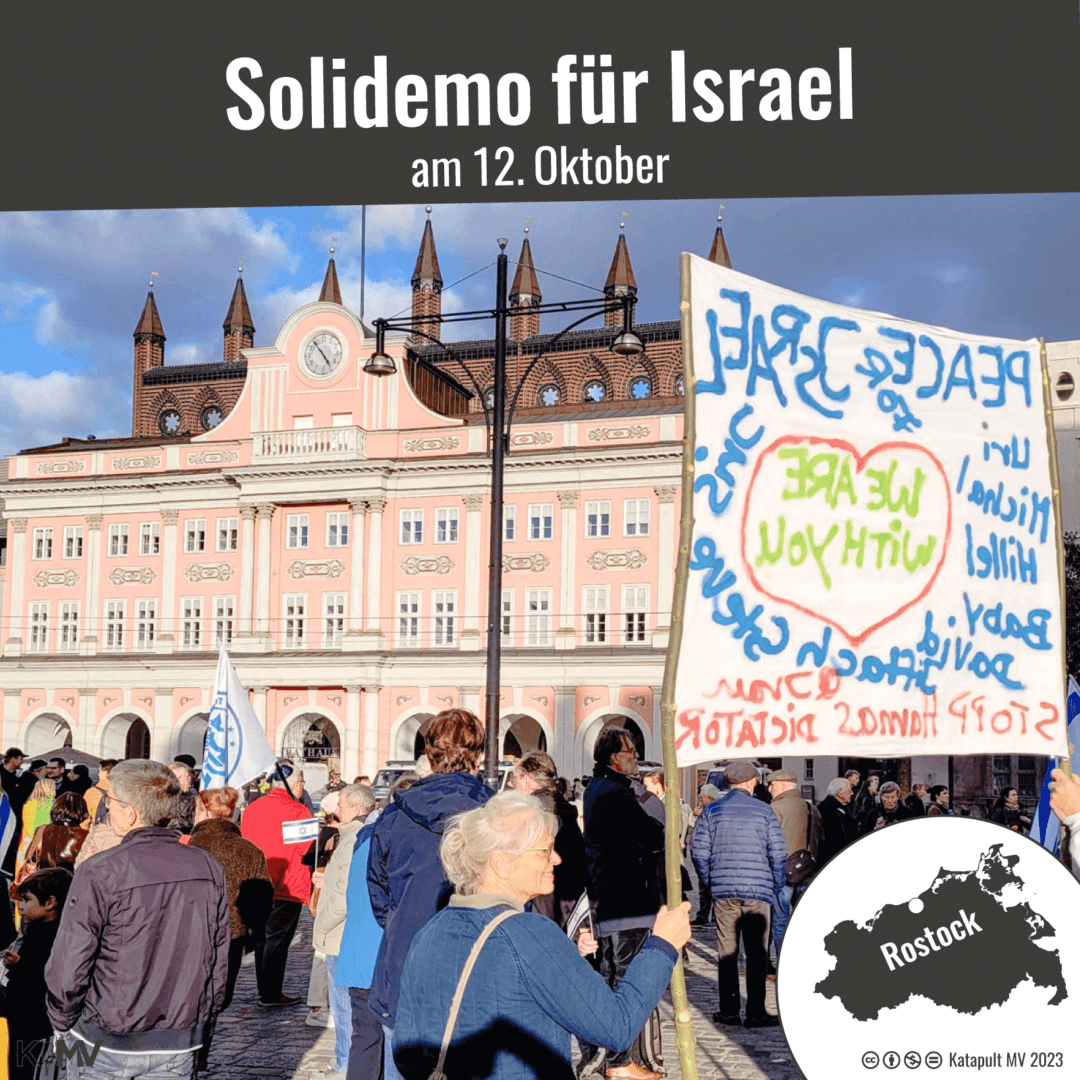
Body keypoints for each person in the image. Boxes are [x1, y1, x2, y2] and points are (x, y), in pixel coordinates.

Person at [392, 790, 691, 1080]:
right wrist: (661, 946)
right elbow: (616, 1026)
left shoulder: (430, 931)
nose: (556, 859)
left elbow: (406, 1051)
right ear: (501, 864)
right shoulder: (530, 934)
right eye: (545, 850)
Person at [45, 759, 230, 1079]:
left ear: (130, 812)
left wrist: (61, 1024)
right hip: (175, 1039)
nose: (105, 807)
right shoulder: (207, 866)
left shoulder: (99, 870)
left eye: (110, 800)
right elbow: (218, 962)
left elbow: (69, 963)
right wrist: (201, 1021)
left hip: (102, 1038)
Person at [368, 708, 493, 1080]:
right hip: (477, 969)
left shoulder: (393, 816)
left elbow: (380, 895)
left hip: (406, 961)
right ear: (480, 756)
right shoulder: (497, 816)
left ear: (429, 756)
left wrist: (404, 921)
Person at [582, 727, 665, 1080]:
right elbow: (651, 833)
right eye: (630, 751)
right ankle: (619, 1061)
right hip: (624, 900)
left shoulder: (603, 788)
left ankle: (612, 1056)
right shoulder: (614, 793)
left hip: (617, 898)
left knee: (614, 976)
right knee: (624, 980)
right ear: (615, 758)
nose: (635, 757)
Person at [691, 761, 786, 1029]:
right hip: (758, 891)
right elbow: (778, 854)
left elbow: (699, 852)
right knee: (757, 955)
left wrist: (710, 881)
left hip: (725, 893)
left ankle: (730, 1010)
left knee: (727, 953)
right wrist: (776, 884)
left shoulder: (712, 811)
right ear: (749, 782)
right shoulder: (764, 811)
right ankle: (756, 1012)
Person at [186, 786, 274, 1070]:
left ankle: (186, 1054)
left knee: (185, 996)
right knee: (214, 999)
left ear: (203, 812)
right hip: (231, 936)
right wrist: (252, 935)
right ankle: (199, 1057)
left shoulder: (187, 847)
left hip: (186, 934)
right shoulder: (248, 849)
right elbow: (261, 901)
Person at [339, 776, 416, 1080]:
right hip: (382, 959)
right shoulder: (397, 844)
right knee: (389, 1047)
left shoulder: (365, 840)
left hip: (359, 957)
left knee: (365, 1043)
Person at [312, 785, 377, 1078]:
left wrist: (322, 922)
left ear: (356, 808)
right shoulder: (349, 836)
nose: (336, 810)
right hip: (340, 933)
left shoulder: (354, 840)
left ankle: (344, 1065)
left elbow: (343, 895)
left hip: (340, 934)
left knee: (344, 1008)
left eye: (341, 804)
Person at [240, 763, 313, 1006]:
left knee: (262, 938)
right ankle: (271, 993)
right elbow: (305, 850)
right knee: (278, 941)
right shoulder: (299, 811)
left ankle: (265, 990)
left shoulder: (251, 809)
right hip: (287, 885)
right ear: (296, 785)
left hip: (258, 882)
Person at [3, 868, 73, 1080]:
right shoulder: (42, 929)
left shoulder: (50, 937)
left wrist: (19, 965)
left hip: (35, 1022)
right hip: (29, 1019)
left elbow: (43, 977)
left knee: (29, 1067)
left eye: (26, 900)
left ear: (50, 903)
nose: (20, 907)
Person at [512, 752, 587, 928]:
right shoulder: (564, 808)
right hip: (568, 901)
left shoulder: (530, 812)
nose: (512, 784)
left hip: (541, 902)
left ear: (527, 780)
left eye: (515, 778)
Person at [766, 769, 809, 952]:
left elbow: (769, 842)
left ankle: (783, 962)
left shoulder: (776, 808)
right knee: (801, 920)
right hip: (804, 869)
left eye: (772, 785)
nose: (769, 789)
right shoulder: (807, 806)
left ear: (783, 785)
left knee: (780, 921)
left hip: (781, 871)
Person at [21, 792, 88, 874]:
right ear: (82, 811)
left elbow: (30, 856)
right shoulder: (85, 835)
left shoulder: (43, 829)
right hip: (70, 883)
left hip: (43, 880)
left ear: (56, 807)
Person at [15, 779, 55, 880]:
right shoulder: (54, 804)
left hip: (28, 842)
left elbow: (27, 828)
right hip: (47, 843)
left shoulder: (28, 805)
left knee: (26, 873)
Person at [817, 778, 858, 867]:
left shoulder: (840, 807)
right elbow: (835, 840)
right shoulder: (828, 810)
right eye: (849, 790)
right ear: (840, 792)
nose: (852, 793)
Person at [84, 760, 117, 825]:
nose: (98, 774)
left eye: (99, 771)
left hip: (97, 830)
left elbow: (86, 818)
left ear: (106, 772)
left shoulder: (92, 793)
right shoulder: (121, 791)